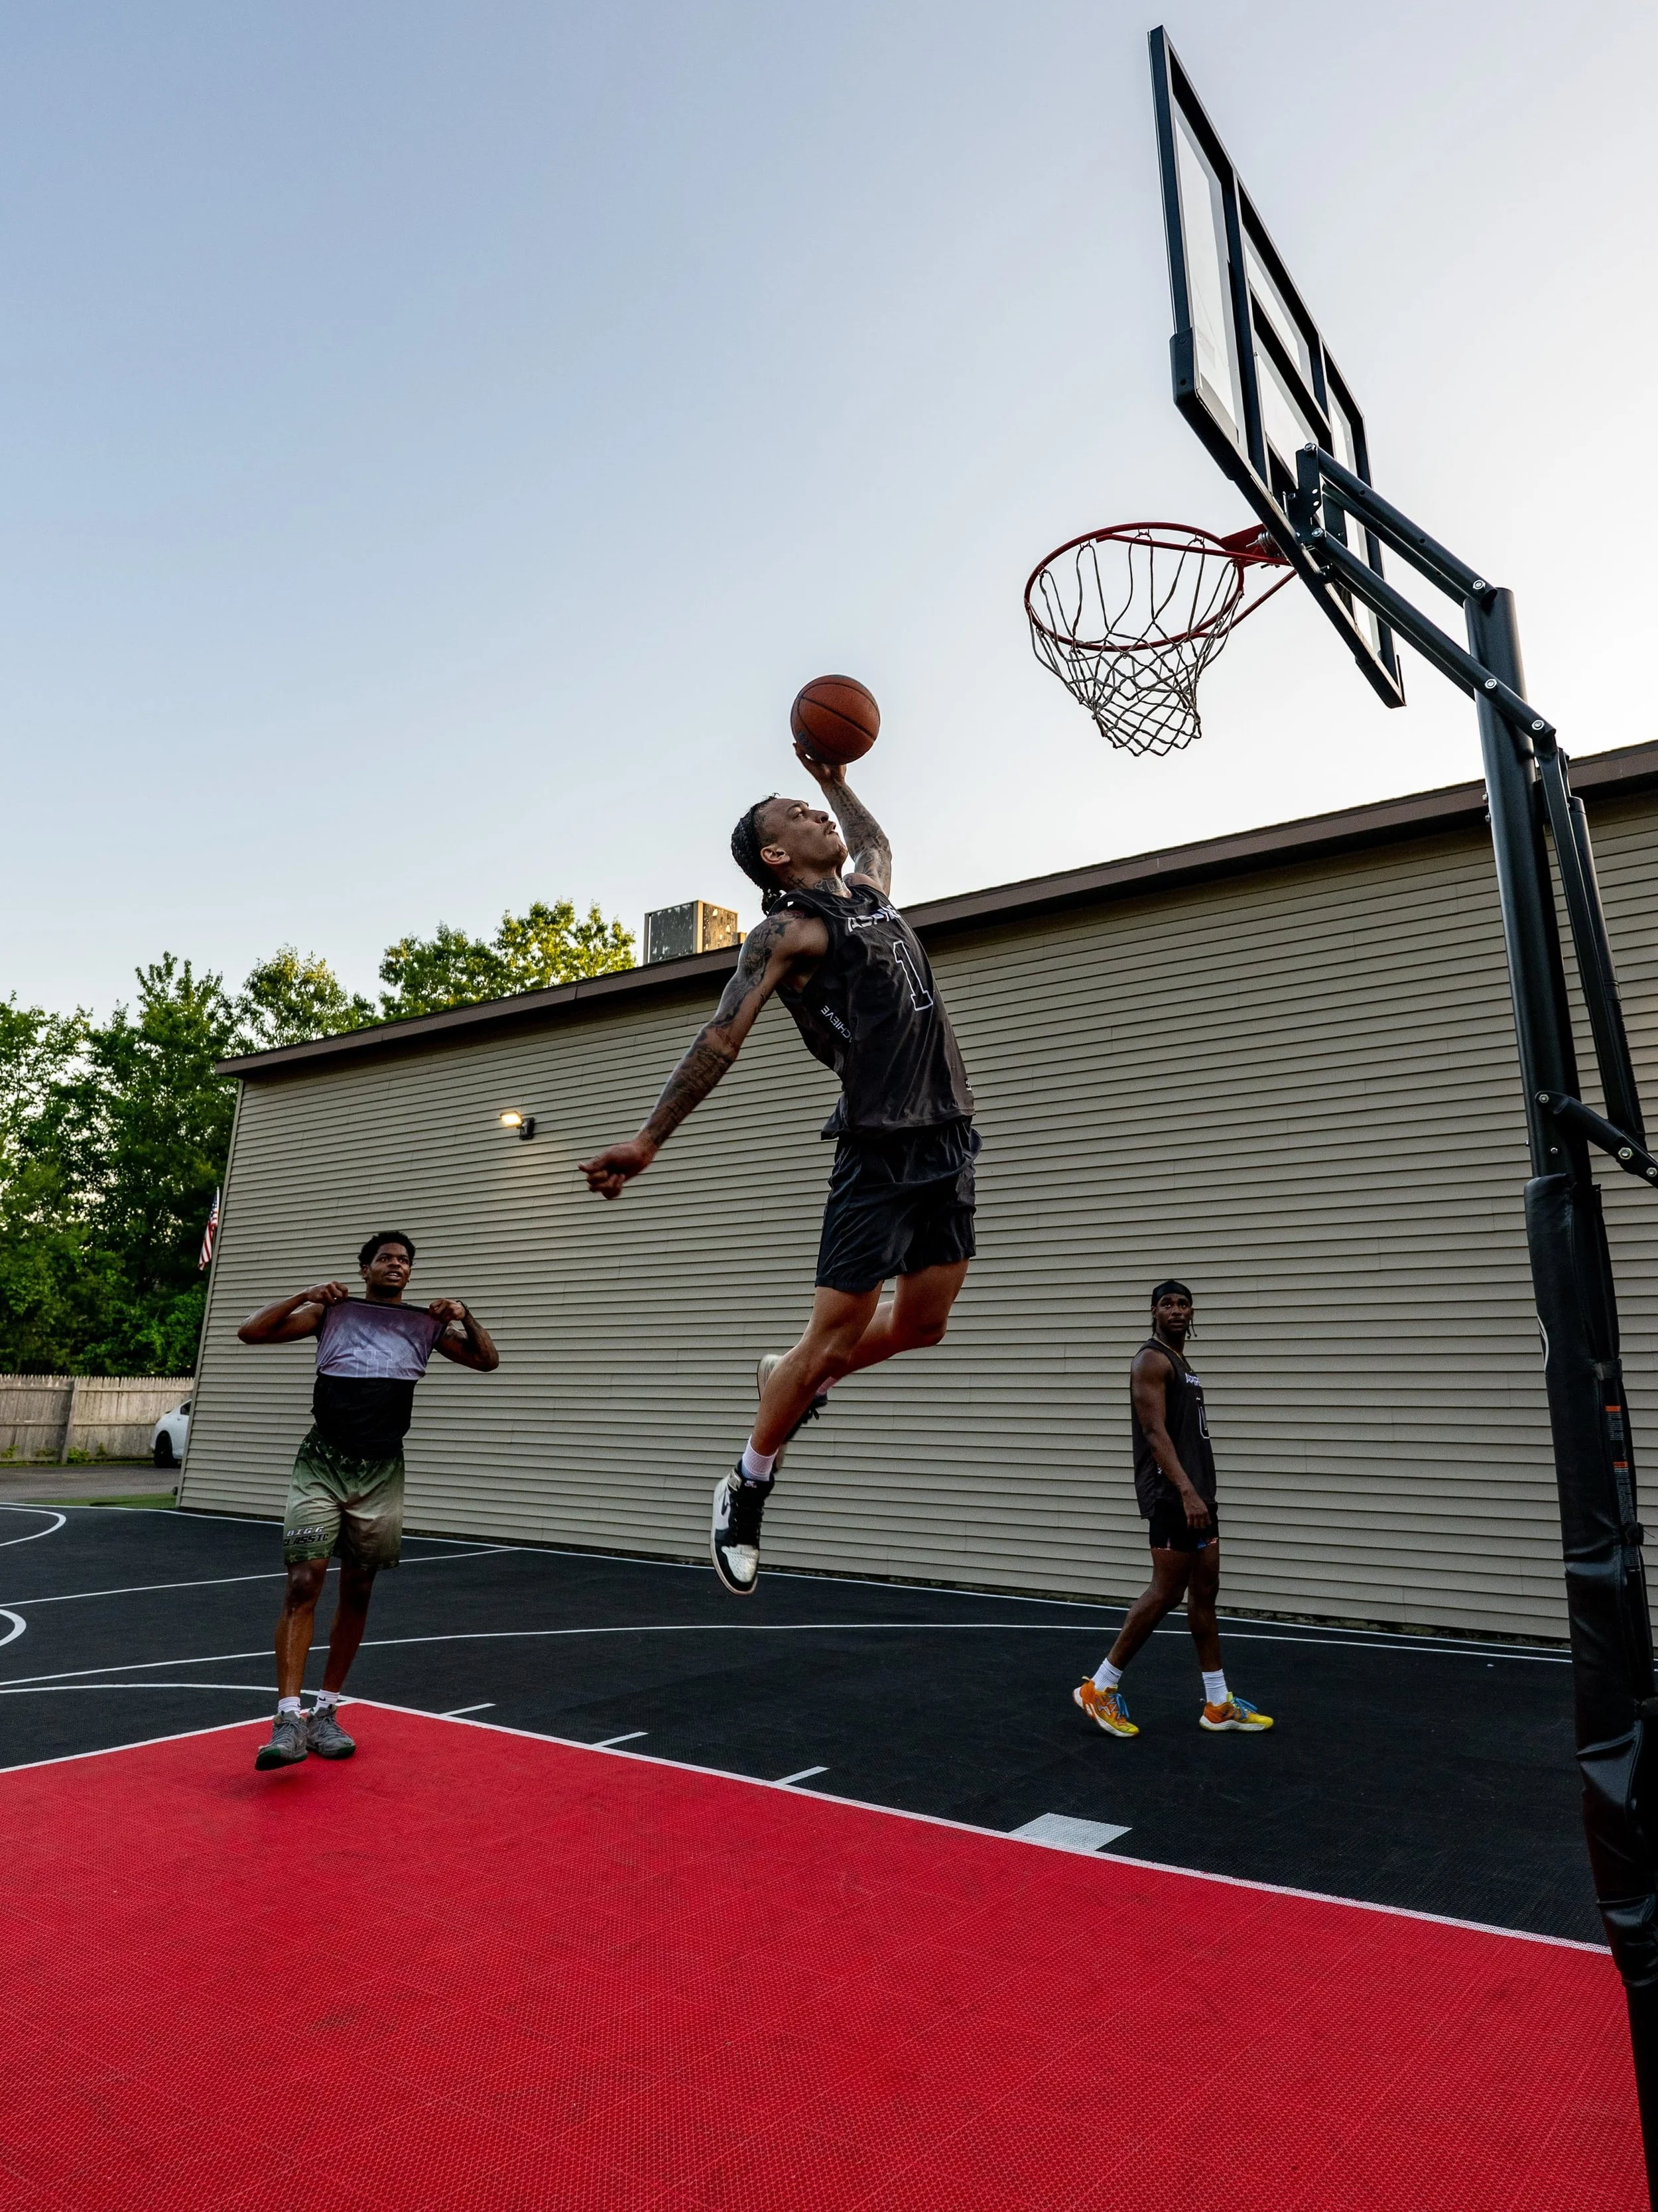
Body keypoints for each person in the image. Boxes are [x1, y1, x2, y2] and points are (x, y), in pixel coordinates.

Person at [580, 749, 977, 1595]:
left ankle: (787, 1373)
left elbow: (877, 842)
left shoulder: (868, 895)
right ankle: (748, 1483)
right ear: (774, 856)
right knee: (833, 1335)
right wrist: (648, 1141)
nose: (818, 818)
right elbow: (722, 1035)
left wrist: (834, 777)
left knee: (923, 1327)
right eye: (798, 813)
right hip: (875, 1146)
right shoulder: (787, 932)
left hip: (947, 1137)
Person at [237, 1229, 499, 1771]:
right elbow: (251, 1332)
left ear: (411, 1272)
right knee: (305, 1579)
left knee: (357, 1587)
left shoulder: (425, 1327)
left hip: (382, 1470)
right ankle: (288, 1717)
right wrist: (305, 1294)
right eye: (385, 1258)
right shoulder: (332, 1315)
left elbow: (486, 1361)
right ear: (365, 1269)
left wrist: (466, 1314)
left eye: (404, 1260)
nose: (396, 1266)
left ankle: (326, 1713)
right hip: (322, 1463)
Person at [1074, 1280, 1272, 1737]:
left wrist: (1199, 1492)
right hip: (1173, 1495)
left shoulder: (1183, 1364)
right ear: (1154, 1312)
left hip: (1199, 1496)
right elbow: (1155, 1434)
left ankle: (1218, 1703)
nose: (1177, 1310)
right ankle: (1099, 1688)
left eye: (1184, 1304)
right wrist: (1184, 1491)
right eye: (1168, 1304)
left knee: (1204, 1591)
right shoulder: (1151, 1360)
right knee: (1165, 1592)